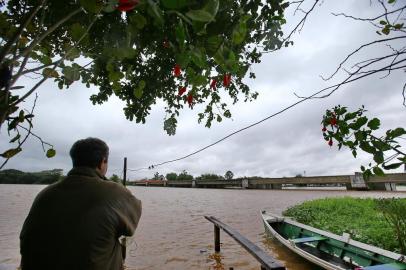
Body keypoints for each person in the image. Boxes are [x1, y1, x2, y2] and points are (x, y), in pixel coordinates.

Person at [20, 138, 142, 270]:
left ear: (74, 161)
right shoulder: (115, 191)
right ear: (103, 162)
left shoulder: (45, 193)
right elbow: (130, 227)